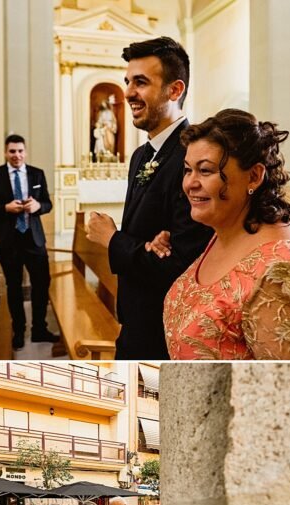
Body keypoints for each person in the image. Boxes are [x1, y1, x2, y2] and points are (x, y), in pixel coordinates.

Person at [161, 110, 290, 359]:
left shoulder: (284, 277)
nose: (190, 183)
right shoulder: (224, 233)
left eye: (205, 171)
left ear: (254, 176)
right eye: (187, 170)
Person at [86, 36, 212, 360]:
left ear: (175, 90)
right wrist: (143, 246)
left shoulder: (193, 157)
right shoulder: (141, 155)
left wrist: (113, 239)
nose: (127, 93)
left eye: (140, 82)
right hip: (135, 318)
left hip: (167, 328)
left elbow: (182, 264)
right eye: (127, 82)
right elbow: (148, 242)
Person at [0, 134, 59, 351]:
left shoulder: (37, 173)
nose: (17, 155)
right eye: (12, 151)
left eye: (20, 151)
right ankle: (19, 331)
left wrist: (37, 206)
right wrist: (5, 208)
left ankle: (39, 328)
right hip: (8, 240)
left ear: (25, 151)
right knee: (13, 287)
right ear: (6, 152)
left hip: (34, 238)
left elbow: (48, 204)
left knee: (41, 284)